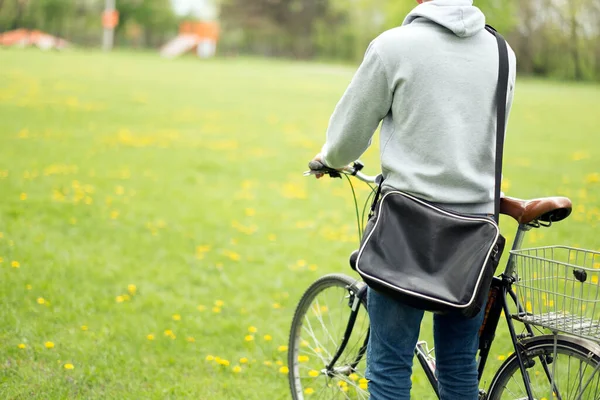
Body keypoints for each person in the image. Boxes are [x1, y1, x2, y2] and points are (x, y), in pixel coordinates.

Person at [309, 0, 517, 399]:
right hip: (475, 234)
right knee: (458, 368)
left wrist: (329, 159)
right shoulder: (503, 53)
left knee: (389, 368)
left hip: (406, 228)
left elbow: (348, 136)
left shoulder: (394, 46)